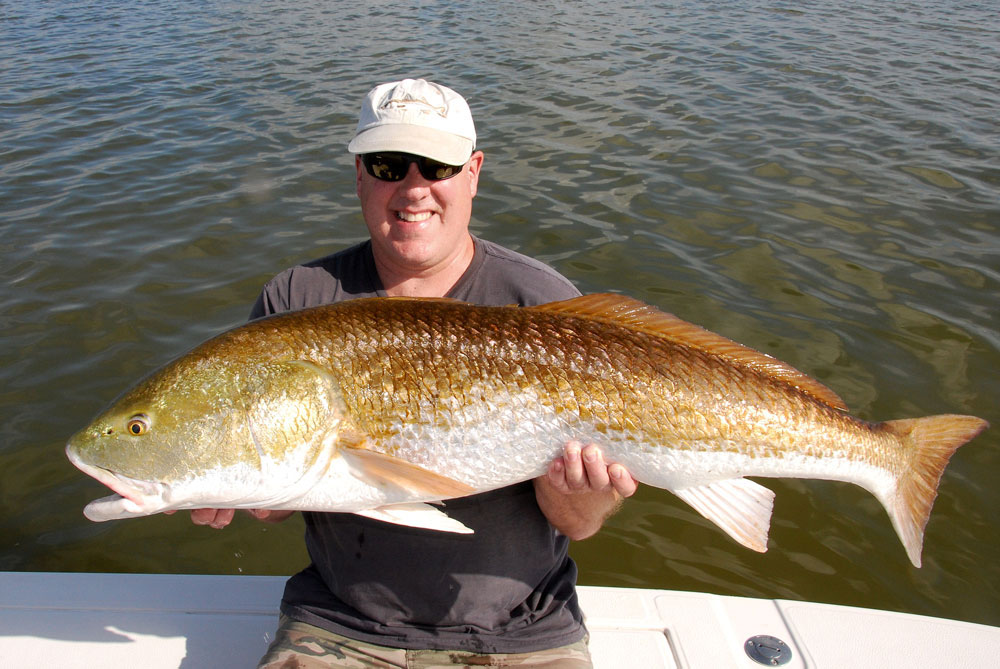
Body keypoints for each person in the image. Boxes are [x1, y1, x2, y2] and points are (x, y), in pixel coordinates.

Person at [190, 79, 638, 668]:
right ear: (358, 175)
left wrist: (581, 494)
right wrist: (222, 478)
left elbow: (577, 526)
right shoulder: (298, 299)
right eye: (387, 164)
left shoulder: (540, 302)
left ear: (473, 172)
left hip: (522, 631)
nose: (413, 187)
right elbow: (277, 504)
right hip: (338, 623)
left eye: (437, 165)